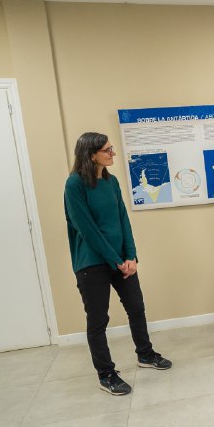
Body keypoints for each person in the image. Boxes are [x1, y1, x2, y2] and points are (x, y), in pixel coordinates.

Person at [64, 132, 172, 396]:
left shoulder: (111, 182)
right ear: (91, 155)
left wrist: (131, 256)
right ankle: (106, 374)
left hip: (122, 260)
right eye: (107, 150)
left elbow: (123, 220)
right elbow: (86, 229)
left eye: (111, 149)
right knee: (99, 320)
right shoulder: (74, 184)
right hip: (92, 263)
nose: (113, 154)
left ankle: (145, 355)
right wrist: (114, 260)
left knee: (136, 308)